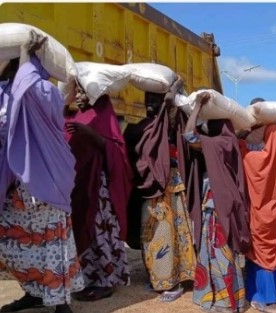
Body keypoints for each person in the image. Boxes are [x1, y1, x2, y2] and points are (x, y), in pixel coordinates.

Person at [0, 31, 84, 313]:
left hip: (44, 181)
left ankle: (61, 303)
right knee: (13, 240)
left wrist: (25, 55)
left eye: (16, 64)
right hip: (14, 183)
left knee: (51, 241)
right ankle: (33, 292)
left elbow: (28, 92)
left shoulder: (45, 91)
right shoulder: (3, 93)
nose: (12, 69)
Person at [123, 78, 197, 301]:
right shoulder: (139, 128)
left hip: (171, 187)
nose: (149, 104)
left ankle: (174, 280)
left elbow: (179, 126)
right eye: (147, 99)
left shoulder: (170, 128)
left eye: (154, 100)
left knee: (173, 233)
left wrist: (172, 96)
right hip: (149, 189)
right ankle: (158, 278)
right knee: (153, 236)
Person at [64, 76, 133, 301]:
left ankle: (108, 281)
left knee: (101, 232)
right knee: (84, 232)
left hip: (101, 190)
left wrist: (90, 134)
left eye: (85, 93)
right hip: (81, 188)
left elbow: (116, 151)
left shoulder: (104, 114)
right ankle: (89, 278)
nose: (81, 97)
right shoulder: (76, 116)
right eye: (79, 92)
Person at [183, 91, 252, 312]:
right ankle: (230, 298)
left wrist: (195, 109)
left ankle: (224, 301)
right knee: (221, 252)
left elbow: (188, 136)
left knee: (219, 252)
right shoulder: (227, 141)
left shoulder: (221, 142)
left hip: (217, 206)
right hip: (221, 204)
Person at [238, 121, 276, 312]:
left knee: (261, 254)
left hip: (261, 217)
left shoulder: (256, 160)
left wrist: (241, 137)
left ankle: (267, 299)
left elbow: (241, 151)